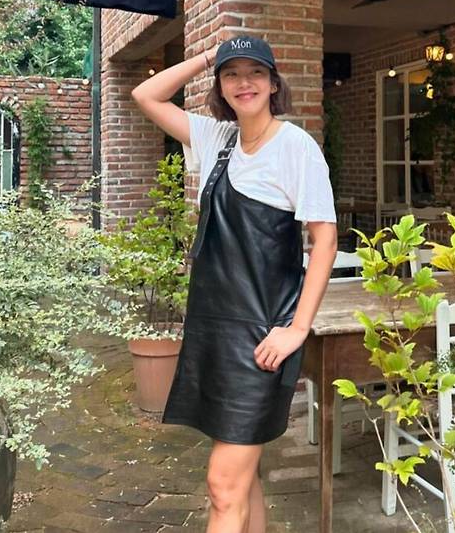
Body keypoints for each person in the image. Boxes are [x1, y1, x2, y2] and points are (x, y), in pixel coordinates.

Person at [131, 34, 338, 533]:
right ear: (220, 86)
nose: (244, 83)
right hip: (213, 329)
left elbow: (325, 241)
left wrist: (297, 329)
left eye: (255, 72)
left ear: (273, 83)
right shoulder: (217, 139)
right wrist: (209, 55)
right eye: (231, 74)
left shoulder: (296, 147)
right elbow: (145, 95)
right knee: (243, 480)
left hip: (261, 335)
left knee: (223, 486)